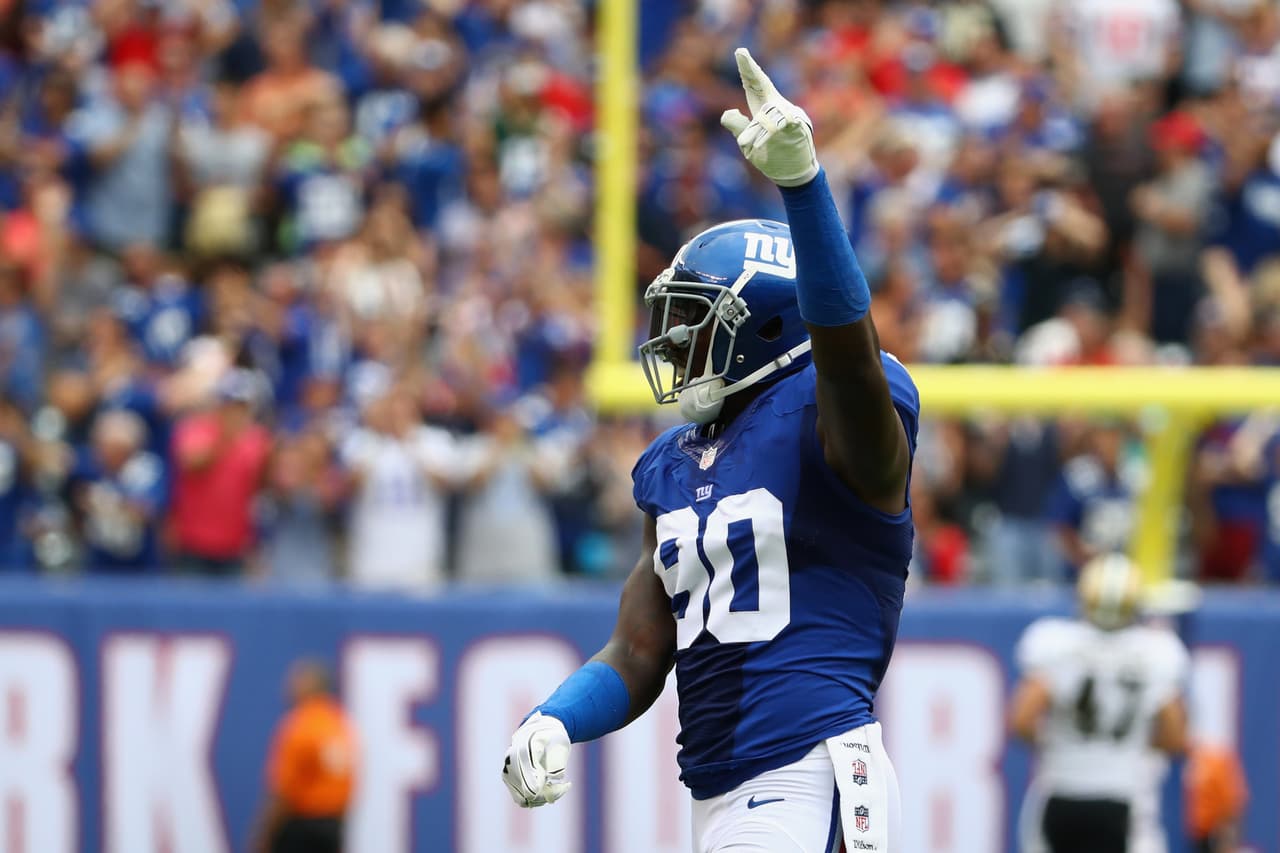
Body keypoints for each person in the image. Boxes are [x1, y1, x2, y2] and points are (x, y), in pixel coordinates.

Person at [502, 49, 919, 852]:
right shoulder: (675, 460)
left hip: (813, 767)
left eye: (696, 322)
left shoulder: (831, 416)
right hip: (722, 790)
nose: (673, 342)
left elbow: (847, 355)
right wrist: (557, 713)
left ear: (766, 325)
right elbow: (639, 644)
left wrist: (804, 187)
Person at [1009, 553, 1190, 853]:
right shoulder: (1156, 652)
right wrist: (1133, 744)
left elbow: (1023, 720)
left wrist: (1058, 741)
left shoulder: (1056, 644)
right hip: (1122, 796)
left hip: (1061, 791)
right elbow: (1175, 737)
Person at [253, 660, 357, 853]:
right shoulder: (339, 724)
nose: (290, 684)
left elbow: (283, 791)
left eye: (299, 679)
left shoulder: (302, 725)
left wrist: (264, 836)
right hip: (333, 825)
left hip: (301, 826)